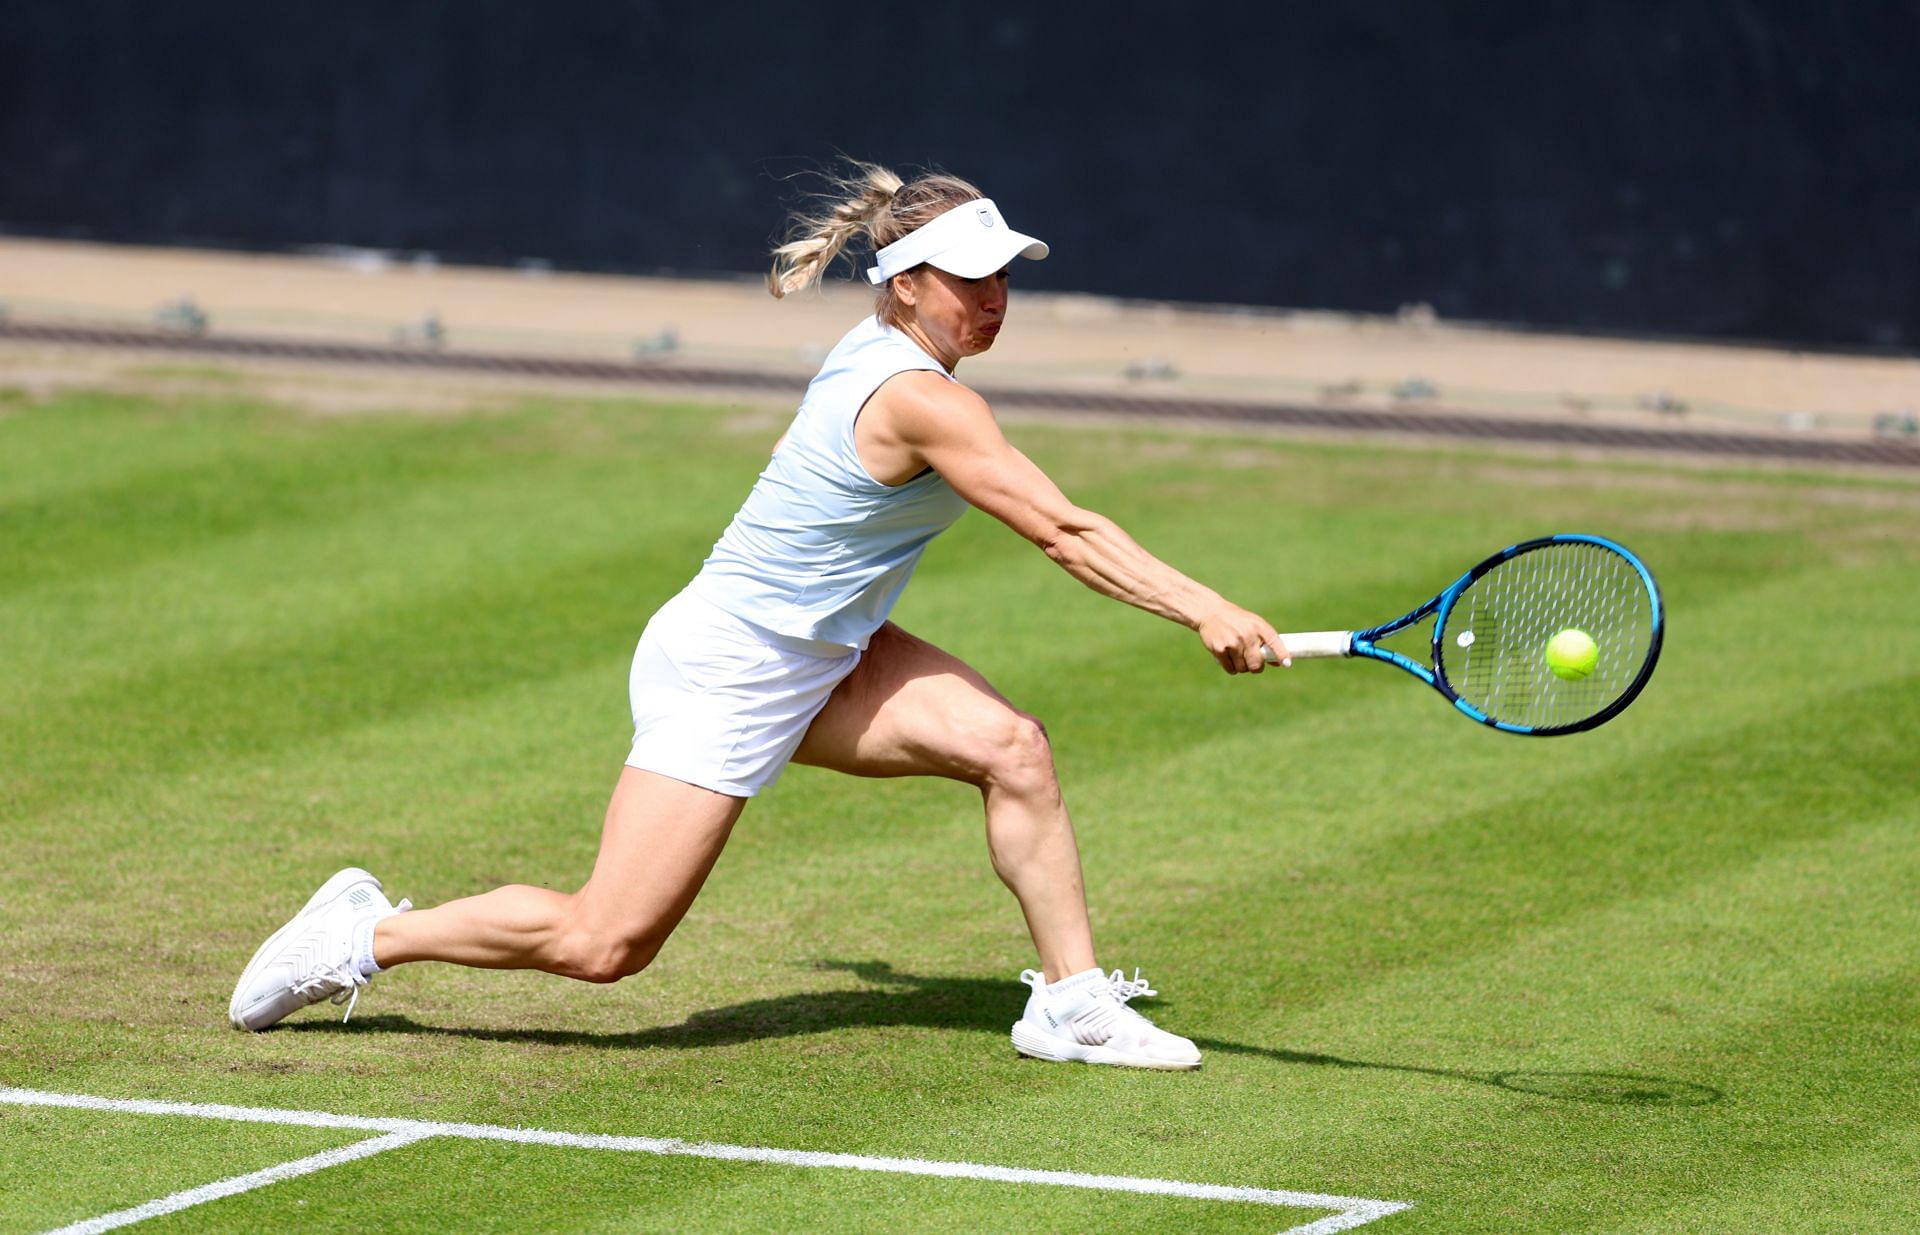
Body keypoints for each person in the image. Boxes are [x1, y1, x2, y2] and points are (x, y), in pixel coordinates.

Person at [228, 162, 1290, 1070]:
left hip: (828, 654)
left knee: (1012, 747)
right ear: (909, 284)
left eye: (1004, 274)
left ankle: (1073, 1002)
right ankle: (362, 932)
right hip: (732, 664)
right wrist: (1204, 607)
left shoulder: (903, 355)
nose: (995, 296)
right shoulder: (922, 396)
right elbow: (1064, 531)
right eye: (971, 278)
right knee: (606, 943)